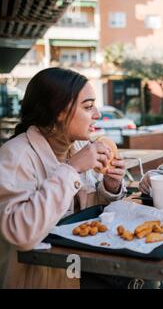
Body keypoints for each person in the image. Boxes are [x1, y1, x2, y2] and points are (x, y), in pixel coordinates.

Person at [0, 68, 127, 288]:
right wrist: (72, 169)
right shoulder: (16, 156)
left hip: (78, 270)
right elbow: (20, 233)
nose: (97, 114)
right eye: (88, 107)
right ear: (59, 111)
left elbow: (83, 217)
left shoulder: (78, 147)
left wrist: (110, 187)